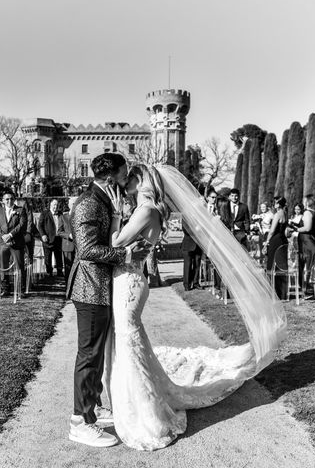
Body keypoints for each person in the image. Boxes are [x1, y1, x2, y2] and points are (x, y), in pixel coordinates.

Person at [102, 164, 286, 451]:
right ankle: (133, 399)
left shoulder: (146, 211)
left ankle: (147, 414)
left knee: (129, 342)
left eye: (130, 178)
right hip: (131, 280)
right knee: (131, 344)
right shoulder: (147, 210)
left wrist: (114, 214)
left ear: (142, 181)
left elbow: (115, 242)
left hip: (129, 284)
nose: (125, 182)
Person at [66, 153, 151, 448]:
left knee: (98, 353)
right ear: (111, 178)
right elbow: (88, 249)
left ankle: (93, 405)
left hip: (102, 288)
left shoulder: (105, 200)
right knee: (88, 355)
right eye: (124, 174)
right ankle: (80, 422)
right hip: (90, 290)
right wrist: (126, 255)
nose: (127, 179)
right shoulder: (88, 203)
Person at [0, 191, 27, 297]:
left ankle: (20, 290)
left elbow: (22, 225)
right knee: (3, 266)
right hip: (3, 243)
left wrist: (10, 235)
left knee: (19, 266)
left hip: (16, 243)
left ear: (14, 199)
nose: (9, 201)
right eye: (7, 199)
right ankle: (5, 289)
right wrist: (3, 236)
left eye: (11, 199)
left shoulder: (20, 210)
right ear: (3, 201)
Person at [292, 194, 315, 298]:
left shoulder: (308, 212)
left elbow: (307, 228)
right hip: (313, 241)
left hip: (307, 243)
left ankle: (305, 291)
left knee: (306, 267)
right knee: (311, 267)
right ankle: (313, 289)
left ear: (307, 202)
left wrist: (296, 229)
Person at [264, 196, 289, 299]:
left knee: (272, 265)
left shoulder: (277, 214)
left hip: (275, 240)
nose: (274, 204)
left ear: (278, 204)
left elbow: (272, 231)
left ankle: (272, 292)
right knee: (281, 265)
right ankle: (282, 292)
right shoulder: (285, 213)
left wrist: (266, 242)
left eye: (275, 202)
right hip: (283, 239)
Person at [38, 199, 64, 277]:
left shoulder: (60, 214)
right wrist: (43, 235)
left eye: (57, 205)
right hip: (48, 239)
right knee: (48, 257)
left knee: (59, 256)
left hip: (58, 238)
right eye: (54, 205)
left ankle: (60, 271)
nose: (55, 207)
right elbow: (40, 226)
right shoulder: (44, 213)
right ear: (50, 205)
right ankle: (49, 272)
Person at [59, 196, 77, 281]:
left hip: (78, 247)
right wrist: (68, 235)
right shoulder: (63, 217)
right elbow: (59, 232)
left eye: (75, 203)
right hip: (67, 246)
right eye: (73, 204)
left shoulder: (80, 216)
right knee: (68, 268)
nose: (74, 205)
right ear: (69, 205)